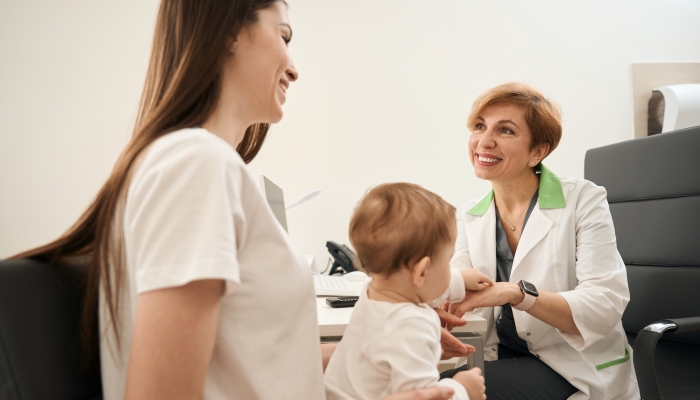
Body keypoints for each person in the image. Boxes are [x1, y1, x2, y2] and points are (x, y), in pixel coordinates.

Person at [12, 1, 472, 399]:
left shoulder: (194, 164)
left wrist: (379, 345)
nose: (294, 67)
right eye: (284, 35)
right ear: (231, 30)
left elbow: (244, 365)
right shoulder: (196, 164)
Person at [440, 83, 640, 399]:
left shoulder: (583, 199)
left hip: (573, 363)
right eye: (480, 126)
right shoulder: (471, 215)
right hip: (503, 354)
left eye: (505, 130)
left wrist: (519, 295)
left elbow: (604, 303)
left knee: (445, 390)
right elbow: (459, 294)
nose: (484, 141)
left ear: (538, 151)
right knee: (414, 377)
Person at [324, 183, 490, 400]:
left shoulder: (372, 292)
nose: (450, 269)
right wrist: (462, 390)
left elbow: (411, 290)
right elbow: (424, 396)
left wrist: (457, 281)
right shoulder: (412, 326)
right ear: (421, 272)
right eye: (448, 262)